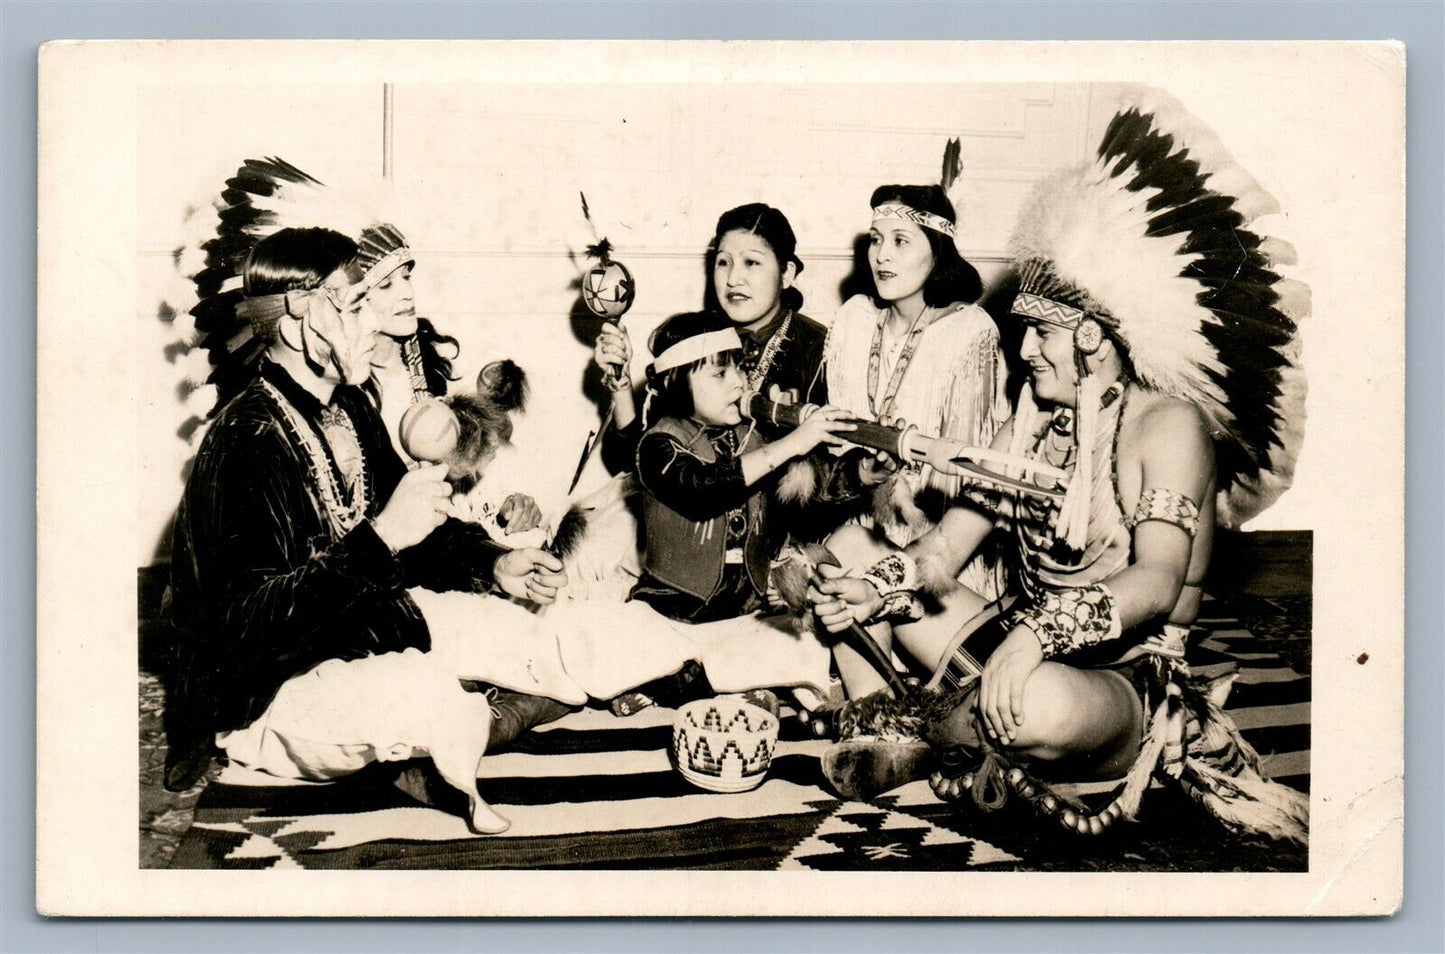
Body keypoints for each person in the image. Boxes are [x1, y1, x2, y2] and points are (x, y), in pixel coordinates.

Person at [807, 92, 1310, 844]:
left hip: (1121, 678)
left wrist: (1034, 639)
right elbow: (950, 545)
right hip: (1010, 638)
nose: (1025, 353)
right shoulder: (1037, 415)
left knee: (1033, 705)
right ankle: (940, 723)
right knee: (843, 551)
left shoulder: (1169, 425)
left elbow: (1154, 583)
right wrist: (876, 587)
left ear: (1090, 339)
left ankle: (932, 723)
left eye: (1038, 336)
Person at [167, 227, 570, 835]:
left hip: (363, 630)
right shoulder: (243, 441)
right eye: (356, 306)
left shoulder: (349, 407)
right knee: (431, 696)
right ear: (305, 318)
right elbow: (247, 629)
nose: (373, 322)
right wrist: (380, 539)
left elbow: (412, 528)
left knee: (537, 642)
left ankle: (456, 729)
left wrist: (491, 562)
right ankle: (447, 740)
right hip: (266, 692)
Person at [818, 180, 1010, 696]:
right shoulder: (854, 321)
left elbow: (976, 475)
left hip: (944, 546)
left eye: (900, 241)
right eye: (875, 240)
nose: (881, 255)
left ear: (937, 250)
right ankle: (876, 701)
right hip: (863, 524)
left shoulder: (969, 333)